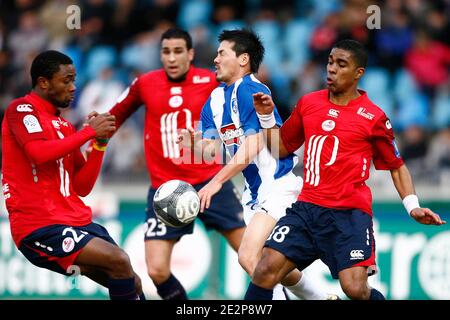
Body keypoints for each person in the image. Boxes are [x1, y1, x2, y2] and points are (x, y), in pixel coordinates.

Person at [244, 39, 446, 300]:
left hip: (349, 216)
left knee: (355, 290)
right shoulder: (309, 103)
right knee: (265, 269)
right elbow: (281, 148)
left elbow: (396, 166)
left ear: (358, 73)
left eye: (341, 64)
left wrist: (412, 206)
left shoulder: (373, 117)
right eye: (330, 62)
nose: (332, 69)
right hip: (307, 209)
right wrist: (266, 118)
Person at [178, 28, 333, 300]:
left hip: (278, 185)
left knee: (250, 258)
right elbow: (212, 147)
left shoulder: (253, 90)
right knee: (274, 266)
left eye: (221, 53)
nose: (215, 59)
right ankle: (323, 298)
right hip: (254, 193)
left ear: (243, 59)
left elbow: (251, 147)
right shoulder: (214, 99)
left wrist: (216, 182)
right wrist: (194, 144)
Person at [108, 28, 246, 300]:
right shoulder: (145, 83)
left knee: (252, 258)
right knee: (157, 270)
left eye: (178, 51)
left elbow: (239, 113)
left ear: (190, 54)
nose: (171, 58)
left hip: (210, 182)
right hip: (167, 189)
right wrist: (92, 136)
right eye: (166, 52)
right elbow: (113, 116)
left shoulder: (210, 81)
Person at [1, 50, 145, 300]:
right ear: (44, 83)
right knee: (118, 260)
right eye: (66, 80)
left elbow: (81, 186)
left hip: (75, 219)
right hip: (39, 226)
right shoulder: (21, 110)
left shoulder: (64, 126)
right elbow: (38, 153)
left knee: (131, 281)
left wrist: (99, 143)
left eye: (74, 80)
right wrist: (88, 133)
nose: (73, 87)